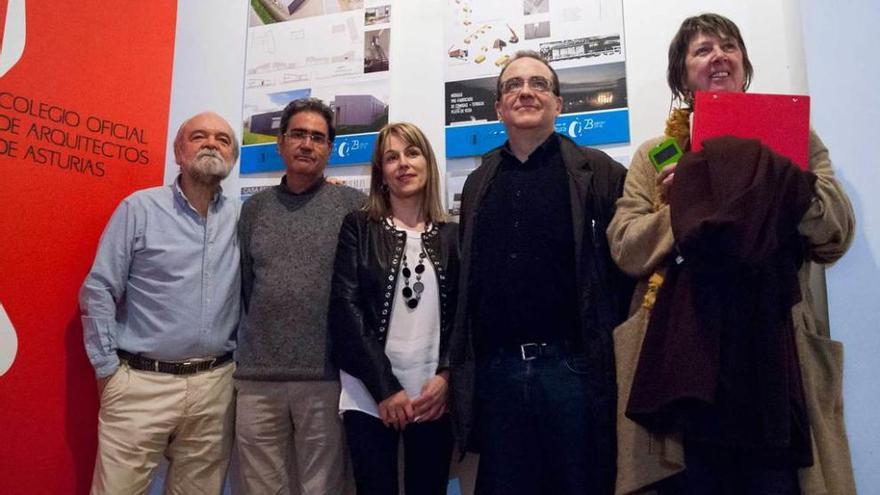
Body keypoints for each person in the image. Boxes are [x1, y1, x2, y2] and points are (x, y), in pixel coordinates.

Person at [607, 13, 857, 495]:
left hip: (775, 357)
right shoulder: (656, 153)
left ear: (744, 64)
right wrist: (691, 201)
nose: (718, 56)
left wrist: (769, 180)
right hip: (683, 359)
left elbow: (837, 230)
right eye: (702, 50)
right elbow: (626, 244)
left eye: (728, 47)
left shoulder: (796, 139)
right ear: (682, 75)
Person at [448, 50, 632, 495]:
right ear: (498, 107)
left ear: (558, 103)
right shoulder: (478, 183)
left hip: (572, 370)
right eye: (513, 85)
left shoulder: (600, 172)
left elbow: (626, 269)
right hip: (497, 374)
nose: (525, 91)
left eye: (538, 84)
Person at [80, 111, 240, 494]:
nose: (211, 144)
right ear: (178, 152)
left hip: (215, 388)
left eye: (222, 139)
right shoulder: (140, 209)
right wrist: (107, 371)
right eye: (199, 136)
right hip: (140, 384)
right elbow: (99, 289)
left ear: (233, 157)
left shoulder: (242, 217)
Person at [234, 97, 364, 495]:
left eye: (317, 137)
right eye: (298, 135)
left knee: (322, 487)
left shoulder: (352, 206)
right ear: (280, 142)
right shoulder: (254, 209)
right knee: (260, 488)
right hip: (257, 379)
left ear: (330, 148)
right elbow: (247, 285)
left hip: (325, 378)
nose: (307, 144)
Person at [329, 122, 458, 495]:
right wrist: (385, 389)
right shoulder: (359, 226)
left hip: (432, 396)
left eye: (412, 153)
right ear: (381, 173)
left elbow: (464, 316)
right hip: (369, 395)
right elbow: (345, 309)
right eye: (391, 157)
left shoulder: (452, 235)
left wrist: (446, 377)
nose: (403, 163)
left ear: (428, 163)